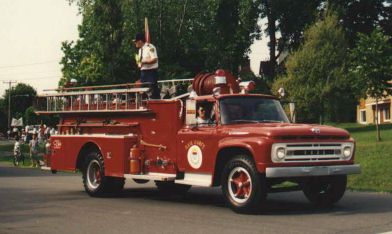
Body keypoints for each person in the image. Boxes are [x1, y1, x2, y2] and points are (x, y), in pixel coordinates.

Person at [134, 32, 160, 99]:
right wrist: (139, 64)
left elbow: (154, 59)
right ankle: (145, 105)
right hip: (143, 73)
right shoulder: (140, 50)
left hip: (151, 73)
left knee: (152, 91)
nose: (135, 43)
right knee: (143, 92)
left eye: (135, 41)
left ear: (140, 41)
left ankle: (156, 104)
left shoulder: (150, 47)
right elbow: (140, 62)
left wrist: (144, 62)